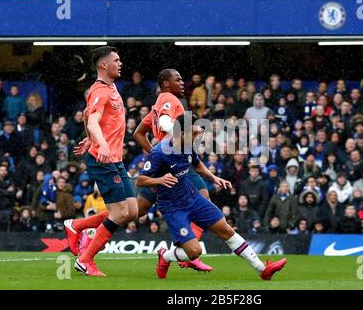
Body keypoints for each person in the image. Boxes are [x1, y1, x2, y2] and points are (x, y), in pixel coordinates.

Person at [137, 114, 286, 280]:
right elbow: (141, 181)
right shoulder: (159, 153)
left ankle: (262, 270)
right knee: (194, 252)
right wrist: (159, 179)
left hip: (192, 197)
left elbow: (197, 164)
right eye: (194, 132)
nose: (197, 135)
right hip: (172, 207)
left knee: (225, 229)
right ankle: (165, 256)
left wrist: (214, 178)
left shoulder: (187, 146)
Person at [64, 46, 138, 276]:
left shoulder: (112, 87)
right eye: (116, 60)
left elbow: (90, 117)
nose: (120, 63)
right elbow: (94, 120)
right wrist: (100, 143)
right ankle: (85, 260)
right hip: (103, 160)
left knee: (132, 211)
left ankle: (76, 226)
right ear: (103, 65)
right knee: (118, 214)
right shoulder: (100, 90)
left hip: (115, 160)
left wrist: (89, 138)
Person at [133, 69, 214, 272]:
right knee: (204, 202)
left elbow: (138, 133)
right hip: (174, 160)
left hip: (168, 162)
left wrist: (154, 153)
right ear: (166, 84)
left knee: (137, 210)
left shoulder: (156, 106)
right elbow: (165, 123)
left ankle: (85, 230)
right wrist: (185, 133)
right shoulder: (169, 98)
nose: (182, 82)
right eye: (177, 79)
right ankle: (184, 254)